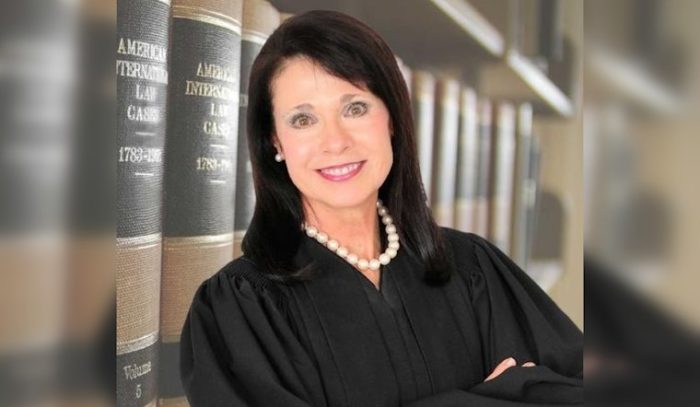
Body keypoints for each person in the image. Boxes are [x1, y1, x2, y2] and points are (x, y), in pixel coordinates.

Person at [180, 10, 583, 406]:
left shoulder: (474, 269)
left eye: (355, 108)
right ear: (275, 143)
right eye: (303, 119)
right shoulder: (240, 311)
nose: (335, 142)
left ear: (391, 117)